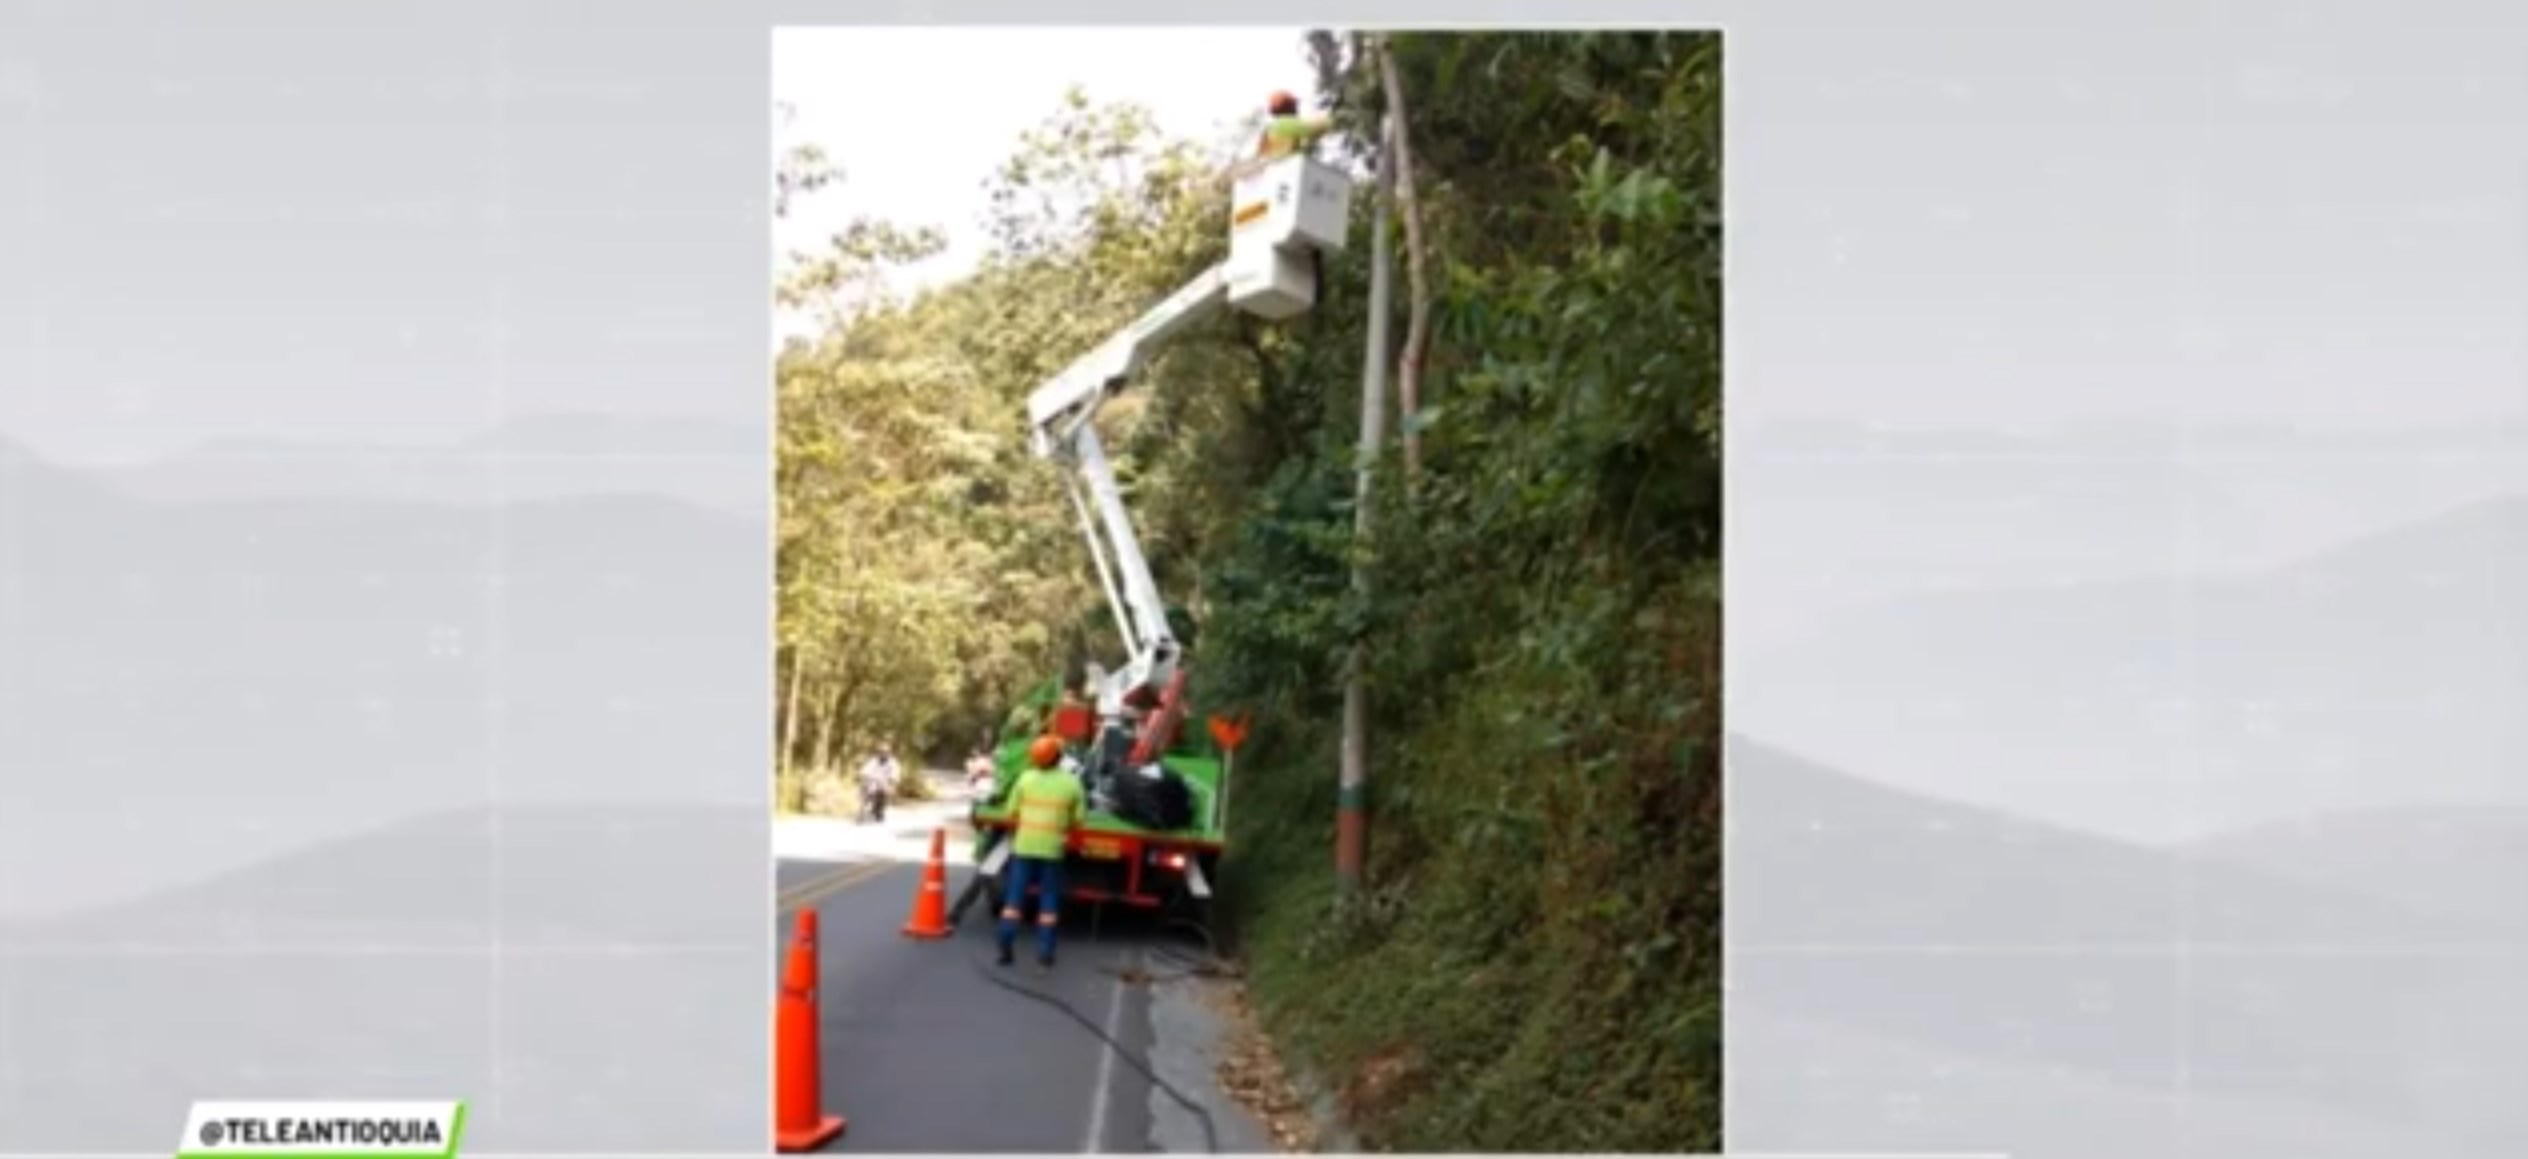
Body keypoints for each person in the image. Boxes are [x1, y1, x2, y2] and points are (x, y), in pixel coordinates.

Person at [997, 735, 1085, 970]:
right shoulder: (1071, 783)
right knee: (1048, 900)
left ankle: (1005, 947)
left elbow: (1010, 812)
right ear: (1059, 757)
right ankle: (1045, 952)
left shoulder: (1025, 779)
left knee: (1014, 899)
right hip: (1052, 850)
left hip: (1024, 847)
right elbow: (1079, 820)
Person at [1256, 90, 1333, 161]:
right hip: (1288, 166)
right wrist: (1331, 118)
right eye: (1294, 105)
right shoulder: (1287, 123)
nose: (1297, 108)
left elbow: (1260, 154)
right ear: (1288, 106)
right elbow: (1318, 127)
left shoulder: (1270, 128)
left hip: (1273, 168)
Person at [856, 742, 900, 825]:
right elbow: (865, 770)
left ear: (889, 753)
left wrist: (891, 784)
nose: (883, 754)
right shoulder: (873, 760)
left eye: (885, 752)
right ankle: (861, 811)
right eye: (881, 752)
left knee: (886, 791)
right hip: (873, 781)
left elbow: (895, 775)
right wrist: (864, 776)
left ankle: (880, 810)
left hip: (885, 783)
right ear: (878, 753)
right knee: (864, 788)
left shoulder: (893, 763)